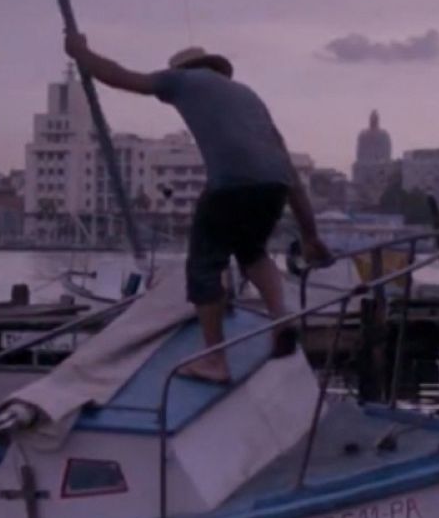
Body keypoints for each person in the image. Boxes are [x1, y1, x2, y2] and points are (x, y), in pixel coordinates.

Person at [64, 32, 333, 382]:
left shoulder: (182, 80)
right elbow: (289, 171)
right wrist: (310, 235)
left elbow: (120, 76)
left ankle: (215, 360)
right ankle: (281, 318)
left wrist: (81, 53)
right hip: (274, 184)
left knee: (204, 266)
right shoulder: (250, 97)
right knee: (252, 250)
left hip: (232, 183)